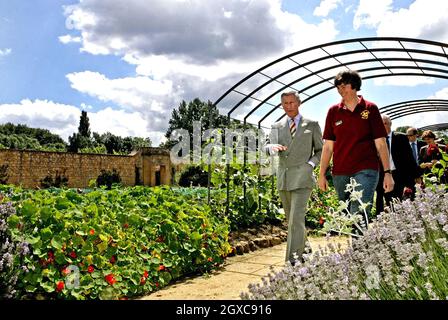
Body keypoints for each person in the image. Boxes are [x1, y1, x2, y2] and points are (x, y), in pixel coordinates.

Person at [318, 70, 394, 229]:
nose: (340, 90)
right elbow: (328, 146)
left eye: (344, 86)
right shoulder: (333, 111)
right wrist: (322, 174)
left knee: (359, 210)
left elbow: (380, 143)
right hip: (341, 170)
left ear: (355, 86)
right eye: (338, 87)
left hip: (366, 168)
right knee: (347, 214)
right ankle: (359, 249)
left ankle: (359, 251)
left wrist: (387, 173)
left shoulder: (370, 109)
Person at [265, 91, 323, 264]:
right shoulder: (276, 127)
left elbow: (320, 150)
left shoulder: (312, 125)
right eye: (285, 103)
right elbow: (266, 146)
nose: (288, 106)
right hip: (284, 178)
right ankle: (305, 249)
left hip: (303, 178)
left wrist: (310, 165)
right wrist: (271, 148)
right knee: (291, 219)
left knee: (296, 219)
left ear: (299, 103)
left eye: (291, 102)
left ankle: (293, 260)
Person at [375, 115, 420, 214]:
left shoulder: (401, 137)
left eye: (385, 123)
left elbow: (409, 158)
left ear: (390, 124)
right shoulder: (376, 140)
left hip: (398, 175)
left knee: (398, 200)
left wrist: (416, 175)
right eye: (380, 124)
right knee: (387, 200)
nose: (382, 126)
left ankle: (401, 220)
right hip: (382, 175)